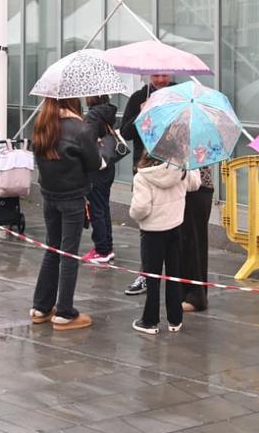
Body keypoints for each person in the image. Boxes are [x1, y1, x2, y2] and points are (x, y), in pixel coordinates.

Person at [29, 97, 99, 331]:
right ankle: (65, 312)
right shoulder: (79, 129)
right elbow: (94, 163)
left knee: (53, 249)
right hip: (72, 198)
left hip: (49, 196)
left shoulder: (42, 124)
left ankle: (41, 307)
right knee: (68, 254)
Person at [129, 156, 201, 335]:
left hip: (152, 232)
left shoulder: (142, 177)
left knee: (152, 278)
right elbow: (195, 184)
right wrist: (190, 162)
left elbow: (140, 208)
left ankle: (150, 320)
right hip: (175, 227)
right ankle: (175, 319)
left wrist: (133, 214)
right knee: (174, 274)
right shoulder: (181, 169)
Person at [119, 73, 174, 296]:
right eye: (156, 75)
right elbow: (125, 132)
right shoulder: (138, 97)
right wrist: (142, 112)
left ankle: (175, 277)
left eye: (164, 75)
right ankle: (146, 274)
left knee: (175, 225)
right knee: (147, 225)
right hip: (144, 169)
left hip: (173, 166)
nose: (160, 80)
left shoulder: (178, 94)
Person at [82, 94, 118, 264]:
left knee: (96, 209)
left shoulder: (93, 115)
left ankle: (101, 249)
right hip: (108, 167)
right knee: (103, 207)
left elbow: (86, 141)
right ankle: (107, 247)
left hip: (96, 168)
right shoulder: (107, 112)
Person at [180, 165, 214, 313]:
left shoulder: (195, 144)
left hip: (197, 190)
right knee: (184, 245)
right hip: (189, 189)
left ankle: (196, 297)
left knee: (194, 244)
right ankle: (186, 292)